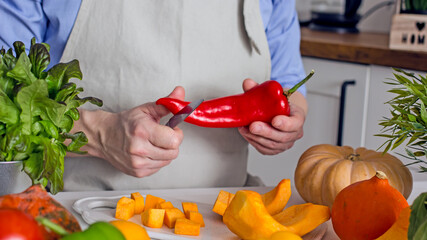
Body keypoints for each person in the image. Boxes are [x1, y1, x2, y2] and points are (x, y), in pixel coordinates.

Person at [0, 0, 308, 190]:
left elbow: (288, 83)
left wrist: (285, 124)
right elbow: (5, 102)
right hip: (75, 212)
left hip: (224, 215)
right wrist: (98, 135)